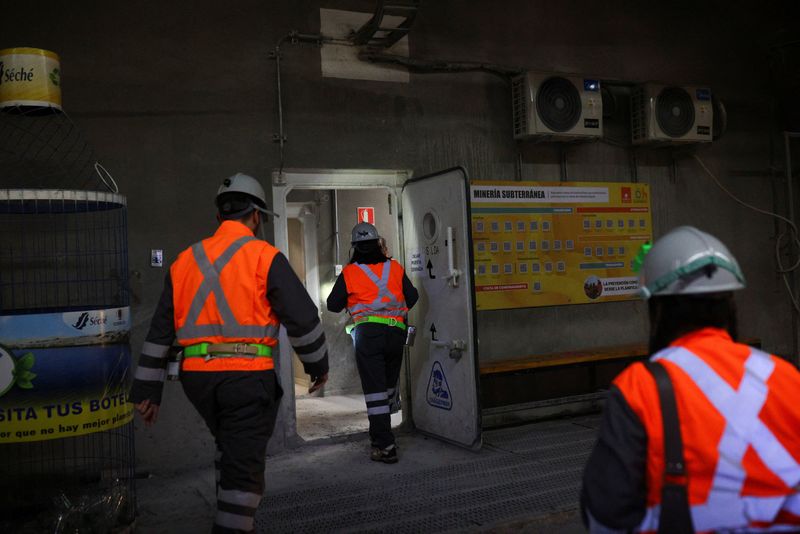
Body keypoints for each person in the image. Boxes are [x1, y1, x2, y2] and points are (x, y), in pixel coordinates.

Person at [130, 173, 329, 534]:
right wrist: (317, 365)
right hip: (246, 379)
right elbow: (303, 319)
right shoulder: (265, 256)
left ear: (220, 216)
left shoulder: (184, 261)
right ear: (256, 216)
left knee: (231, 447)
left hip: (198, 382)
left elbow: (160, 333)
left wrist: (147, 392)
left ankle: (236, 518)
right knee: (243, 473)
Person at [581, 226, 800, 533]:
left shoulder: (639, 387)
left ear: (657, 310)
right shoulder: (785, 375)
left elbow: (604, 515)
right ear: (730, 306)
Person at [326, 222, 418, 463]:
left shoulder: (350, 272)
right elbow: (413, 296)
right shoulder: (395, 267)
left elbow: (333, 304)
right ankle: (380, 434)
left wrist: (355, 304)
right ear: (378, 244)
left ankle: (385, 446)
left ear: (354, 247)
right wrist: (396, 312)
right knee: (387, 388)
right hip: (396, 332)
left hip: (369, 335)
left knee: (375, 392)